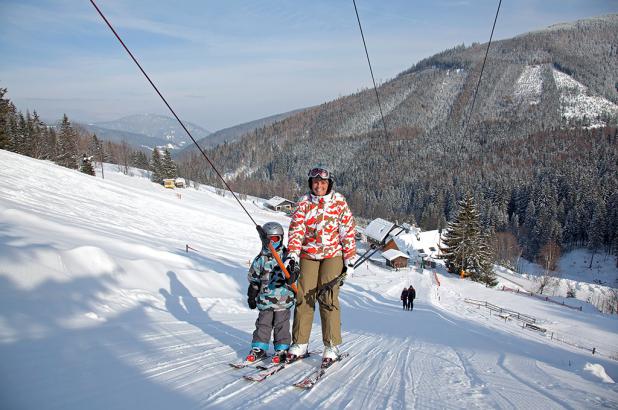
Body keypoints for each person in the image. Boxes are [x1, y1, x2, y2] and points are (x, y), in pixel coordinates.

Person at [284, 165, 356, 365]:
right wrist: (292, 254)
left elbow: (347, 231)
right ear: (311, 183)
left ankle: (331, 344)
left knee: (328, 296)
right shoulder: (304, 203)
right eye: (315, 182)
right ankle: (300, 343)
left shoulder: (339, 202)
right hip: (309, 254)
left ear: (328, 184)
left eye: (323, 182)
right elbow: (297, 229)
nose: (319, 186)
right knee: (304, 295)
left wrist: (349, 260)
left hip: (333, 254)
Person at [246, 222, 296, 364]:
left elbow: (296, 275)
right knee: (263, 324)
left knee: (282, 325)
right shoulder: (260, 258)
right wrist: (252, 295)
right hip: (265, 300)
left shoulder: (288, 258)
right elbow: (254, 278)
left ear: (281, 239)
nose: (271, 242)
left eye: (275, 239)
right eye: (268, 239)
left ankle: (282, 348)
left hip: (283, 300)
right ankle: (259, 347)